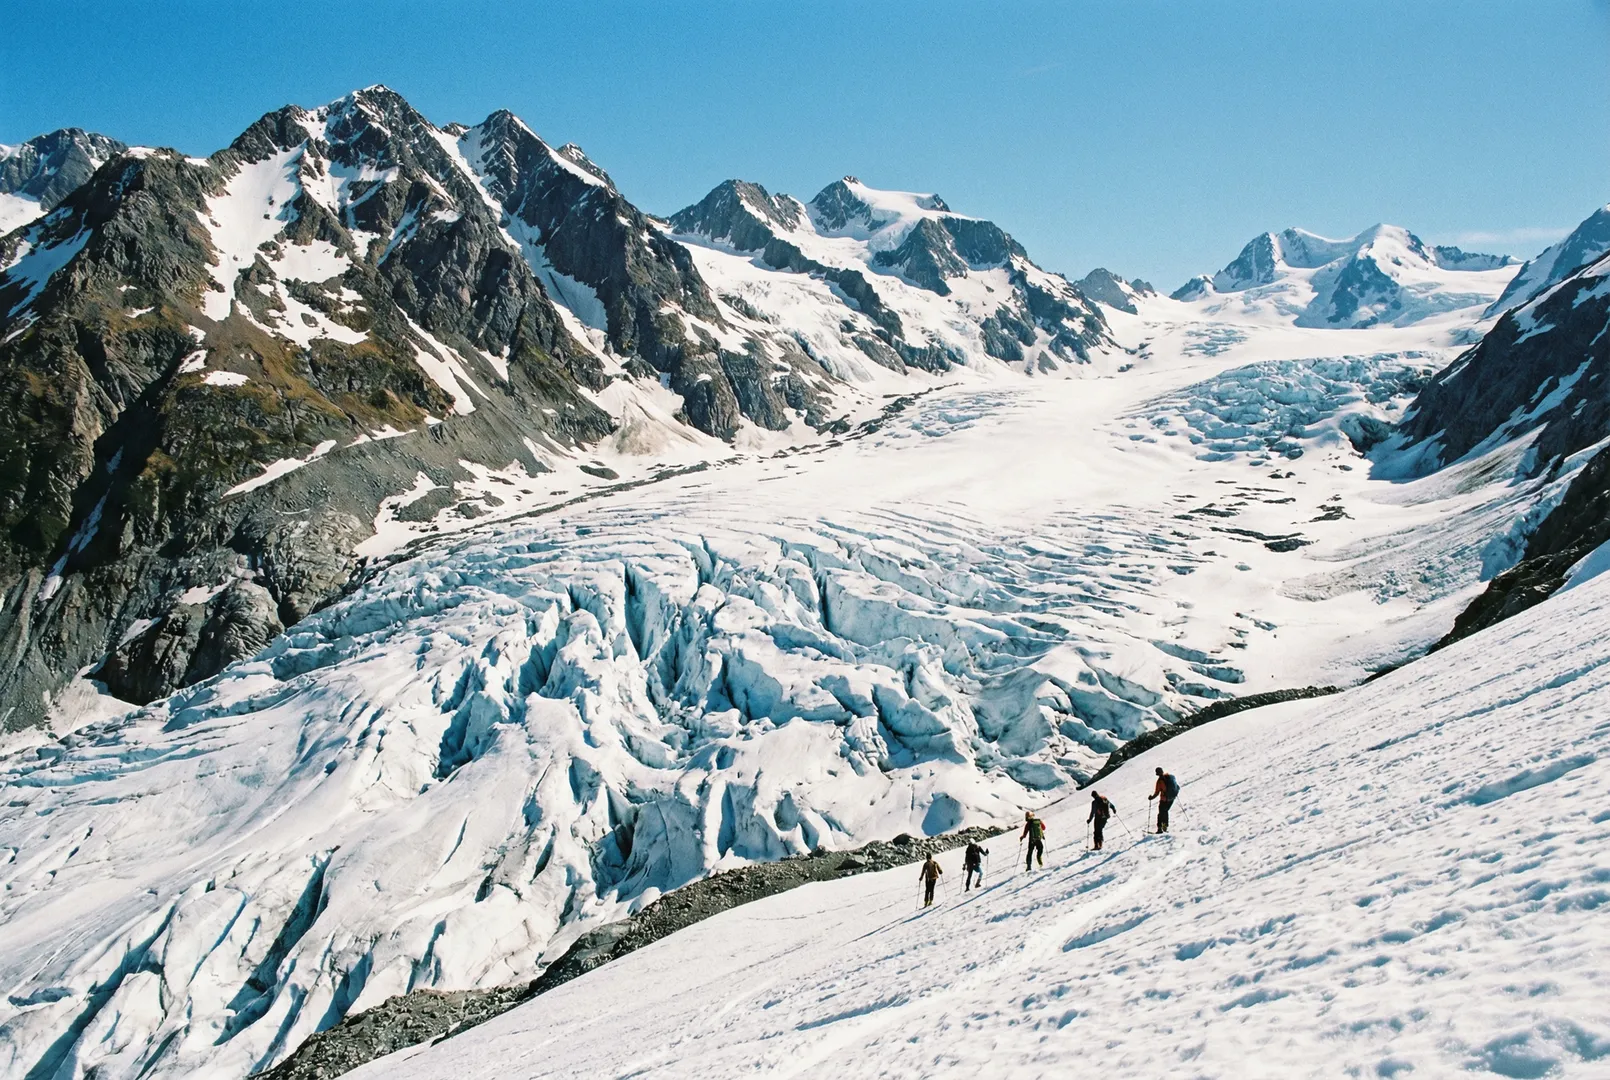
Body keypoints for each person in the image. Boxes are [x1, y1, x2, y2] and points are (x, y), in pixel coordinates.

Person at [1150, 766, 1180, 833]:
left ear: (1157, 774)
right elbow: (1177, 786)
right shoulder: (1170, 777)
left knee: (1161, 813)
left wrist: (1151, 797)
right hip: (1171, 798)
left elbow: (1157, 793)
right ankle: (1165, 826)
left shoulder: (1159, 781)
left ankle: (1160, 828)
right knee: (1165, 811)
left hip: (1164, 799)